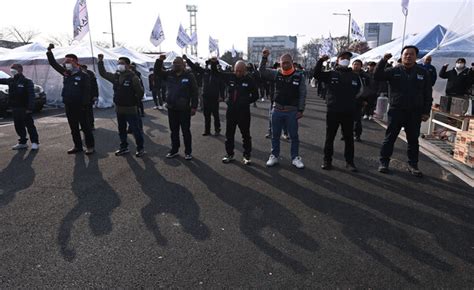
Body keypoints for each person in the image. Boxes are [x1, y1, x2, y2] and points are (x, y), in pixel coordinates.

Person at [375, 46, 433, 177]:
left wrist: (426, 111)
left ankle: (413, 165)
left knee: (413, 140)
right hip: (396, 110)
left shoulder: (423, 73)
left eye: (411, 54)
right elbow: (378, 76)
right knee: (389, 138)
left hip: (415, 112)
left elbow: (427, 94)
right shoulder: (393, 70)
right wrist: (383, 60)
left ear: (416, 57)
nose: (408, 56)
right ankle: (384, 162)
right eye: (406, 54)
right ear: (401, 56)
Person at [314, 52, 361, 172]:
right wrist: (321, 61)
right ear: (337, 60)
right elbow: (316, 74)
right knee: (330, 137)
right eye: (343, 58)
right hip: (333, 111)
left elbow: (359, 92)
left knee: (349, 138)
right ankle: (327, 160)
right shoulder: (331, 74)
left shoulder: (355, 76)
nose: (345, 60)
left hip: (349, 112)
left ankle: (350, 162)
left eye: (347, 58)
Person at [259, 49, 306, 169]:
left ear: (291, 62)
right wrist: (264, 58)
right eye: (282, 62)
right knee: (275, 135)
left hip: (292, 111)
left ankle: (295, 157)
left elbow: (302, 94)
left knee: (294, 136)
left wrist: (300, 110)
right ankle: (274, 156)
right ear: (280, 63)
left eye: (287, 62)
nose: (284, 64)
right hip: (277, 110)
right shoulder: (276, 73)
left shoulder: (299, 76)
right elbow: (262, 71)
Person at [46, 44, 95, 155]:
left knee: (85, 127)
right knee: (73, 127)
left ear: (75, 62)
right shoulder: (66, 73)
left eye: (69, 61)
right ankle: (77, 146)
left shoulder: (84, 75)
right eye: (65, 61)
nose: (66, 63)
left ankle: (90, 146)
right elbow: (53, 64)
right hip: (69, 104)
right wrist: (49, 52)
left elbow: (87, 92)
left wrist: (84, 104)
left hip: (81, 106)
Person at [97, 54, 145, 157]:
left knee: (135, 129)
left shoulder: (133, 77)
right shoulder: (116, 76)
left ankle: (140, 148)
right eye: (118, 63)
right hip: (119, 108)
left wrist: (134, 102)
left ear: (127, 65)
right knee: (121, 129)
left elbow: (140, 92)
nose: (119, 65)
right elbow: (103, 73)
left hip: (131, 108)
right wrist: (100, 61)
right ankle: (124, 147)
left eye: (122, 63)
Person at [154, 55, 198, 160]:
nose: (176, 65)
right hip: (172, 108)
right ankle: (174, 150)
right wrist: (159, 61)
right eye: (174, 63)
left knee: (185, 131)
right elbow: (157, 72)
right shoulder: (169, 74)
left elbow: (194, 92)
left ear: (183, 65)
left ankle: (188, 152)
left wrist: (194, 107)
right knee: (174, 131)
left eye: (178, 63)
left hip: (184, 109)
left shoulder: (189, 76)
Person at [220, 60, 259, 165]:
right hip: (231, 111)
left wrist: (246, 101)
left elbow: (256, 95)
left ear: (245, 70)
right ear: (234, 69)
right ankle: (229, 154)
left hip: (243, 112)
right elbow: (216, 74)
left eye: (241, 71)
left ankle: (247, 155)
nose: (238, 73)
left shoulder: (249, 80)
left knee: (245, 134)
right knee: (229, 134)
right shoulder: (230, 77)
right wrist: (214, 63)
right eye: (237, 70)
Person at [0, 64, 39, 150]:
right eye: (11, 69)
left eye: (14, 69)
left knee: (30, 125)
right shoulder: (11, 80)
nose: (12, 70)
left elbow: (31, 95)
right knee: (18, 125)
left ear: (20, 70)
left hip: (24, 108)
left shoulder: (26, 81)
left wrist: (30, 108)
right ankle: (22, 142)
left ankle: (35, 142)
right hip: (15, 107)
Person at [184, 55, 224, 136]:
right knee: (206, 115)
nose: (209, 65)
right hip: (206, 97)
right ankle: (207, 130)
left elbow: (222, 86)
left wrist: (221, 96)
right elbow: (194, 67)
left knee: (215, 114)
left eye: (211, 64)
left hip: (215, 97)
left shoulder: (217, 74)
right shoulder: (205, 72)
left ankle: (217, 129)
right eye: (208, 64)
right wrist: (187, 59)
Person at [351, 59, 371, 142]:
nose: (356, 66)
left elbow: (368, 89)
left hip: (359, 100)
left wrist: (366, 100)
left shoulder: (365, 76)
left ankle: (357, 134)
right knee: (346, 119)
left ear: (361, 66)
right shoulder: (348, 74)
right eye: (354, 64)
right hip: (348, 100)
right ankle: (345, 134)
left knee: (357, 119)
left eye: (358, 64)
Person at [80, 64, 99, 130]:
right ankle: (83, 126)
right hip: (81, 97)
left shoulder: (91, 75)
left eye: (83, 69)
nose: (82, 70)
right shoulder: (79, 75)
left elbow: (95, 87)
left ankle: (91, 125)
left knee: (89, 112)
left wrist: (95, 95)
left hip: (89, 97)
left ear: (86, 69)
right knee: (81, 112)